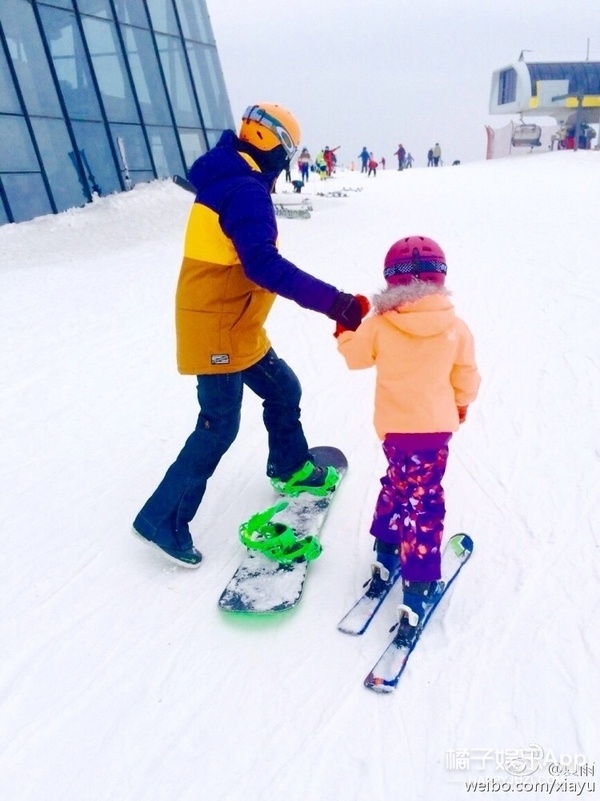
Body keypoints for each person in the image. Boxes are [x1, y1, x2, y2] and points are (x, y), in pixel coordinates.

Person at [132, 102, 366, 568]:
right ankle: (163, 518)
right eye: (289, 154)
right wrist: (335, 302)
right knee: (220, 424)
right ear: (276, 149)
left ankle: (290, 466)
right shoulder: (243, 190)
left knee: (284, 388)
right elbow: (263, 265)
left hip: (235, 323)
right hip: (217, 327)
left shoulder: (235, 180)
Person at [334, 235, 480, 630]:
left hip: (395, 432)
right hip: (434, 432)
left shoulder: (381, 324)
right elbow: (465, 376)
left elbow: (354, 357)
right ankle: (419, 585)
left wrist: (346, 325)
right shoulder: (456, 327)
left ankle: (386, 553)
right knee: (423, 503)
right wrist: (461, 404)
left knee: (398, 485)